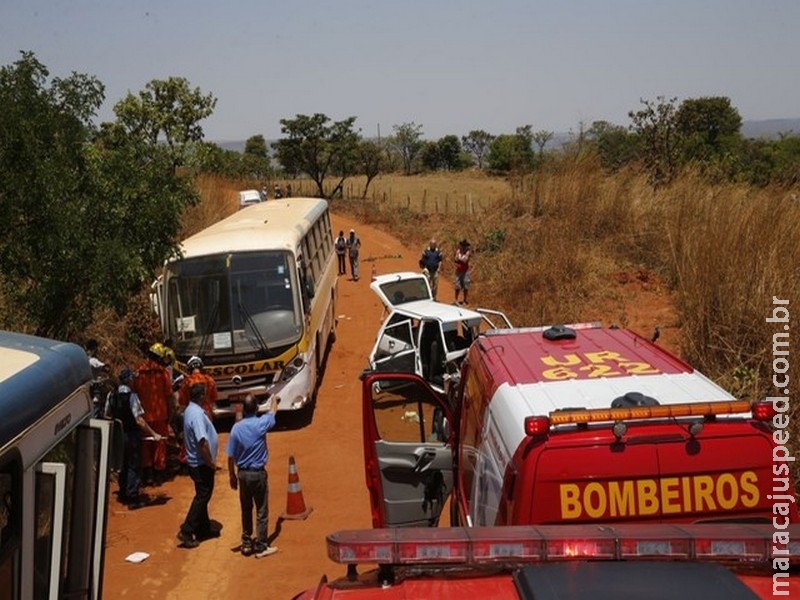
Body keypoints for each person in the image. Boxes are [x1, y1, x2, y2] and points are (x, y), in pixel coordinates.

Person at [226, 394, 280, 558]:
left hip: (242, 474)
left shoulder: (237, 428)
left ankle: (247, 543)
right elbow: (272, 412)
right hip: (258, 474)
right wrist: (274, 401)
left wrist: (232, 476)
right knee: (261, 510)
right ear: (256, 408)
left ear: (243, 409)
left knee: (246, 508)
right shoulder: (261, 423)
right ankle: (262, 545)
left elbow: (230, 456)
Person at [105, 369, 163, 510]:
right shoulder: (132, 397)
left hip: (118, 435)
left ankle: (123, 493)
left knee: (121, 464)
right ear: (129, 380)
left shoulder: (111, 395)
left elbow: (107, 414)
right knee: (133, 465)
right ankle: (133, 498)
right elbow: (139, 420)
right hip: (131, 435)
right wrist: (154, 434)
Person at [177, 383, 220, 549]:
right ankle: (187, 530)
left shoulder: (191, 410)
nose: (207, 396)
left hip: (196, 462)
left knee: (202, 494)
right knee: (203, 495)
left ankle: (203, 528)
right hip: (201, 463)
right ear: (201, 396)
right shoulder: (196, 414)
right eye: (205, 394)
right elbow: (202, 441)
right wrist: (210, 462)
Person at [132, 342, 173, 485]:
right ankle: (158, 473)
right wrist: (170, 413)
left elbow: (134, 393)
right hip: (161, 414)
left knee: (145, 444)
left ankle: (148, 474)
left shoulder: (138, 372)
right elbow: (169, 395)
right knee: (160, 443)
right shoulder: (163, 373)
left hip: (143, 415)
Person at [176, 356, 217, 468]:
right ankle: (209, 460)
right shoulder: (209, 380)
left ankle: (191, 461)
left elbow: (182, 402)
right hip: (206, 414)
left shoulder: (186, 382)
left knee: (191, 439)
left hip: (192, 414)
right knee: (206, 437)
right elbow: (214, 398)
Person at [85, 338, 110, 418]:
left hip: (85, 390)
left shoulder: (83, 358)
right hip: (93, 391)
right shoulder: (93, 361)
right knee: (96, 406)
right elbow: (106, 368)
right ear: (94, 349)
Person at [454, 239, 471, 305]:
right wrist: (459, 258)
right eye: (462, 245)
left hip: (465, 271)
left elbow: (465, 260)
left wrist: (459, 258)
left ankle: (464, 300)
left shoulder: (467, 252)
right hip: (458, 270)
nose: (463, 247)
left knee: (465, 285)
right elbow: (455, 259)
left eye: (465, 246)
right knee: (457, 285)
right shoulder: (458, 251)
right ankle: (456, 299)